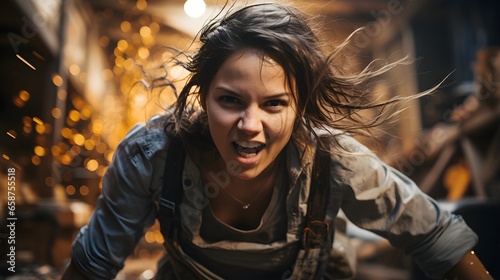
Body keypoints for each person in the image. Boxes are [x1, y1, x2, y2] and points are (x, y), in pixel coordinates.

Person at [62, 2, 493, 279]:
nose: (250, 125)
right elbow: (93, 265)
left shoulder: (333, 160)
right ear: (202, 97)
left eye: (273, 104)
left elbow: (438, 237)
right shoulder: (151, 156)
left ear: (299, 108)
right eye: (230, 100)